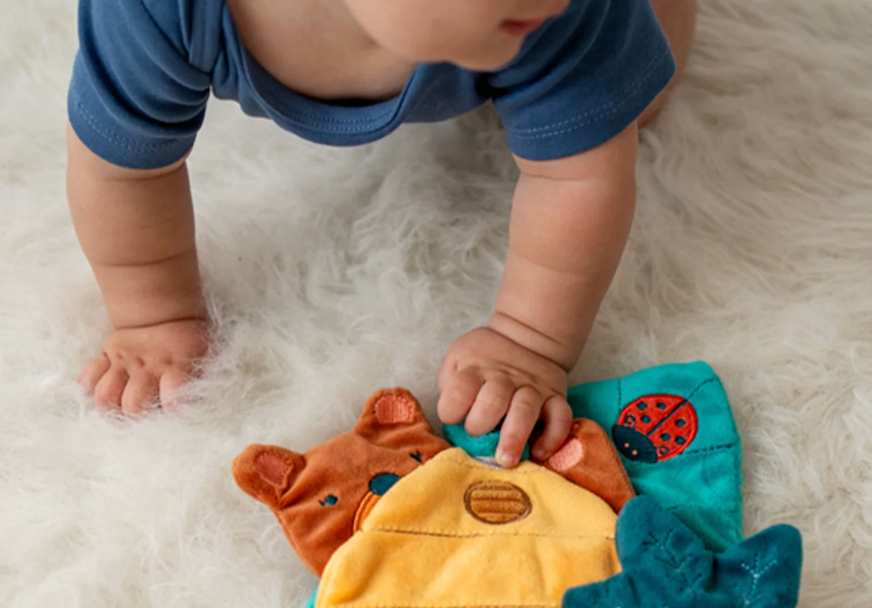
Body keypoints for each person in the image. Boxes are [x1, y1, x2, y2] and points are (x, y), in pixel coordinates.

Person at [67, 0, 695, 466]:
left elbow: (577, 178)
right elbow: (122, 170)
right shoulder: (151, 11)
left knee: (636, 99)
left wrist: (528, 341)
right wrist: (153, 316)